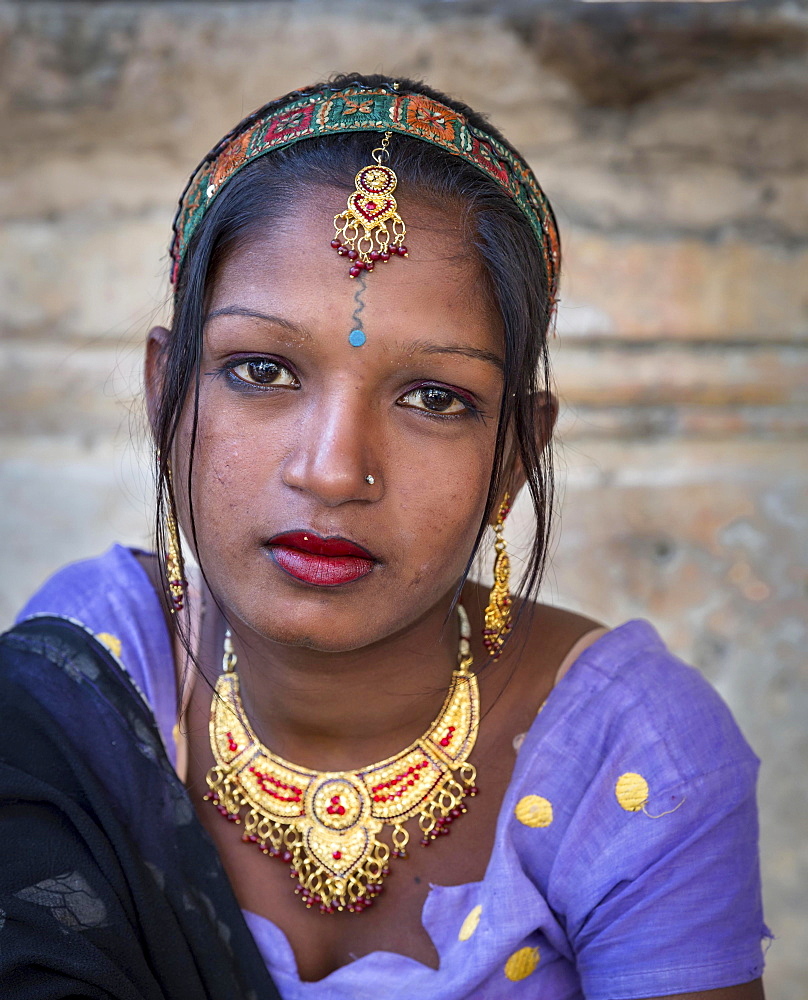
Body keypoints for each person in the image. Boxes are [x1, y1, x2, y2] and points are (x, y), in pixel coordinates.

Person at [0, 73, 768, 1000]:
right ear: (168, 395)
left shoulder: (632, 756)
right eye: (262, 369)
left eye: (434, 398)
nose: (332, 470)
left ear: (515, 454)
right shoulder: (92, 673)